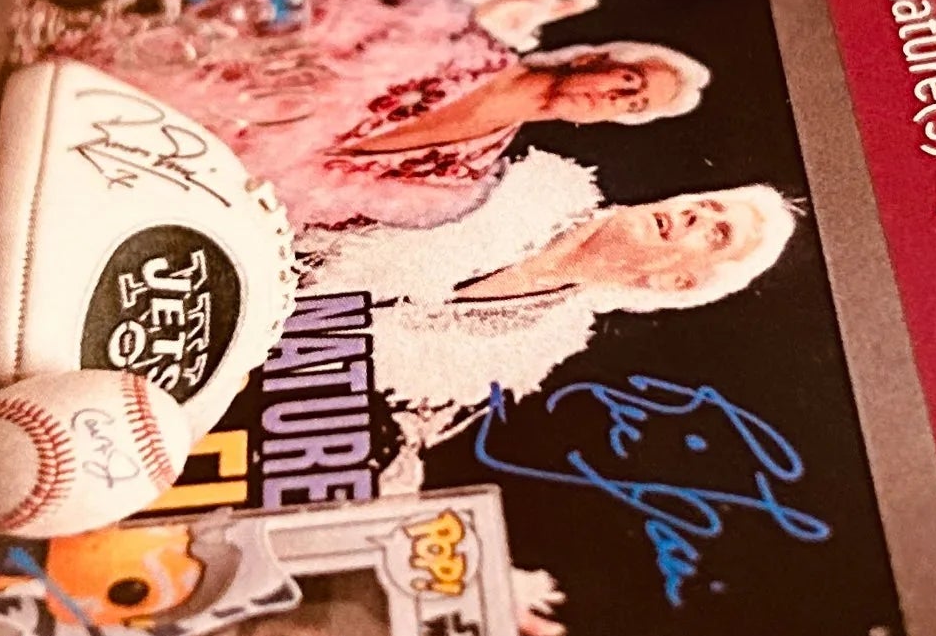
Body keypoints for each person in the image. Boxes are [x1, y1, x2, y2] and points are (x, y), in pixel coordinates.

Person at [12, 0, 709, 230]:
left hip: (150, 158)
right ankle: (81, 38)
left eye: (632, 105)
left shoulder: (463, 179)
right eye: (627, 80)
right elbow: (310, 16)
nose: (615, 96)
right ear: (592, 58)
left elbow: (308, 205)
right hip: (169, 74)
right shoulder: (454, 40)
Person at [294, 149, 799, 476]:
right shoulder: (530, 182)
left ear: (678, 282)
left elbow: (407, 422)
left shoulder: (537, 348)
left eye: (716, 234)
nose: (695, 213)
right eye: (709, 203)